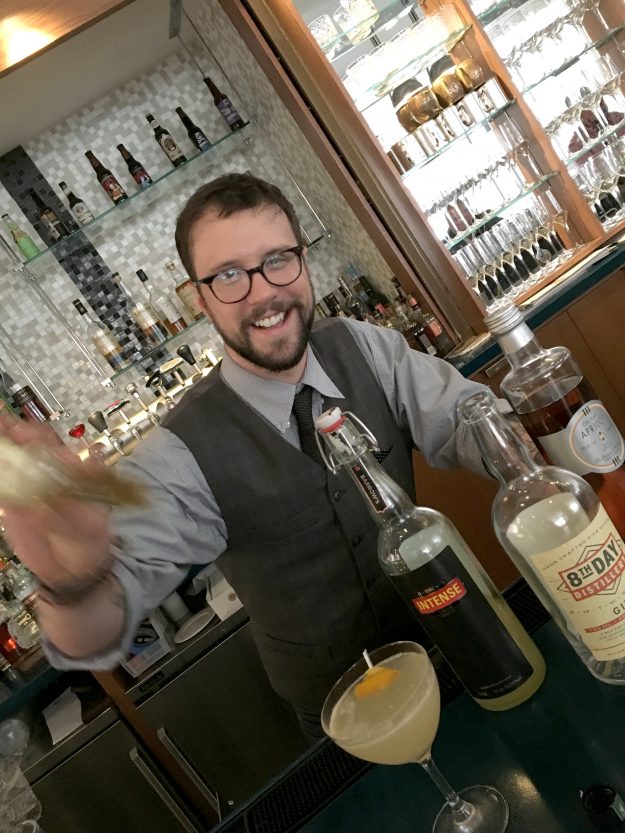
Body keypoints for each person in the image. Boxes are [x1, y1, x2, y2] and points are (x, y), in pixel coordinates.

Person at [0, 173, 494, 737]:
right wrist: (74, 578)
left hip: (456, 638)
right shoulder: (179, 452)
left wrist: (528, 444)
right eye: (229, 275)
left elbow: (466, 419)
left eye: (277, 259)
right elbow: (94, 631)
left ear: (303, 260)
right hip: (345, 714)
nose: (262, 293)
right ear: (199, 299)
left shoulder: (364, 345)